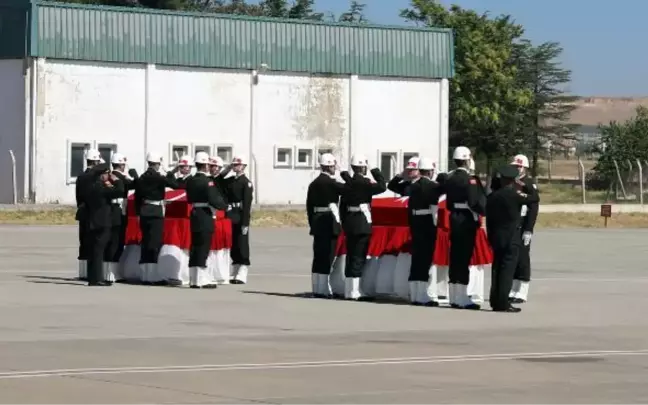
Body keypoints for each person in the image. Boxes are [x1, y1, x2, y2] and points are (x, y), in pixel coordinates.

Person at [486, 165, 539, 312]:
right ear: (513, 180)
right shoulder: (514, 195)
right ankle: (503, 303)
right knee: (507, 271)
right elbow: (534, 198)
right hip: (511, 238)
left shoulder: (492, 197)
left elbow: (489, 219)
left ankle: (495, 300)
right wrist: (526, 186)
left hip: (496, 237)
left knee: (496, 269)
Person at [339, 155, 386, 300]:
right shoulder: (366, 183)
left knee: (350, 256)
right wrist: (375, 170)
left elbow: (342, 207)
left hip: (350, 223)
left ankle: (349, 290)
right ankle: (355, 291)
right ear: (363, 167)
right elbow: (382, 186)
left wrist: (345, 223)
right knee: (358, 257)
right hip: (362, 223)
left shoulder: (348, 184)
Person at [445, 146, 486, 310]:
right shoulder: (470, 179)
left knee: (455, 257)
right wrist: (483, 211)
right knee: (463, 257)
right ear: (467, 160)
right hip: (466, 219)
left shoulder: (450, 177)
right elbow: (475, 201)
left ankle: (454, 295)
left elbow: (448, 202)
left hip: (454, 217)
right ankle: (461, 297)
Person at [306, 153, 349, 298]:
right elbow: (350, 188)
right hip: (329, 222)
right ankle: (324, 289)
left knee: (318, 256)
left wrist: (313, 223)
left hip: (317, 222)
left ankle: (317, 288)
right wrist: (343, 172)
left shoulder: (314, 184)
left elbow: (309, 207)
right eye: (333, 166)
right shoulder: (332, 183)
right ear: (330, 166)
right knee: (328, 256)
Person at [134, 152, 179, 285]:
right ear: (158, 164)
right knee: (154, 243)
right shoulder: (159, 177)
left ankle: (145, 274)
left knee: (146, 241)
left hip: (144, 211)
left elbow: (137, 197)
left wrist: (138, 213)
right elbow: (175, 184)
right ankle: (153, 275)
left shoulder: (142, 177)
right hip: (155, 212)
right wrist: (169, 172)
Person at [185, 152, 228, 288]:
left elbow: (189, 198)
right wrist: (226, 206)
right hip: (205, 213)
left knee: (195, 246)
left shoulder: (191, 180)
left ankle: (193, 278)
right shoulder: (207, 181)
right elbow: (214, 199)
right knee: (203, 246)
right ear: (205, 165)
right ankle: (201, 279)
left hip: (195, 213)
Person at [407, 157, 444, 306]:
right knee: (424, 259)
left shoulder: (413, 185)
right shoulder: (432, 186)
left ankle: (415, 294)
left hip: (415, 222)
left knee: (416, 259)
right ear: (430, 171)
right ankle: (422, 295)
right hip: (427, 223)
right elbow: (444, 187)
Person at [85, 164, 125, 286]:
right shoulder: (101, 187)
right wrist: (117, 180)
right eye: (107, 174)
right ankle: (97, 279)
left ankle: (93, 278)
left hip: (93, 221)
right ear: (102, 175)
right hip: (102, 222)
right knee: (98, 250)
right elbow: (119, 191)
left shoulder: (92, 186)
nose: (109, 176)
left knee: (94, 250)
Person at [507, 154, 539, 304]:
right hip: (512, 223)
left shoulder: (529, 184)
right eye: (514, 166)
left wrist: (529, 229)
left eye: (519, 166)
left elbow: (533, 208)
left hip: (523, 222)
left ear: (525, 167)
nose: (517, 169)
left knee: (523, 257)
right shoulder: (510, 183)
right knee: (512, 256)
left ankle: (523, 289)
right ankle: (513, 288)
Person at [103, 153, 138, 283]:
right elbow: (134, 185)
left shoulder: (111, 176)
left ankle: (109, 271)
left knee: (112, 241)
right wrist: (135, 176)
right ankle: (112, 273)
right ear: (122, 165)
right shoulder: (119, 177)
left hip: (113, 210)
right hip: (118, 211)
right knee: (117, 241)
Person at [222, 156, 254, 284]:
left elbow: (247, 205)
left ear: (244, 166)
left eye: (238, 165)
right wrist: (228, 168)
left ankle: (243, 270)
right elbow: (219, 179)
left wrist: (245, 222)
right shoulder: (230, 180)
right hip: (231, 214)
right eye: (234, 165)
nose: (235, 167)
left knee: (242, 243)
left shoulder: (246, 182)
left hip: (241, 215)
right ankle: (235, 269)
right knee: (233, 243)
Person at [75, 149, 102, 281]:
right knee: (94, 243)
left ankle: (82, 272)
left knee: (83, 241)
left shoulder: (81, 176)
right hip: (94, 212)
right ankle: (92, 273)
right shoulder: (96, 177)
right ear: (96, 161)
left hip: (83, 211)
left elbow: (78, 196)